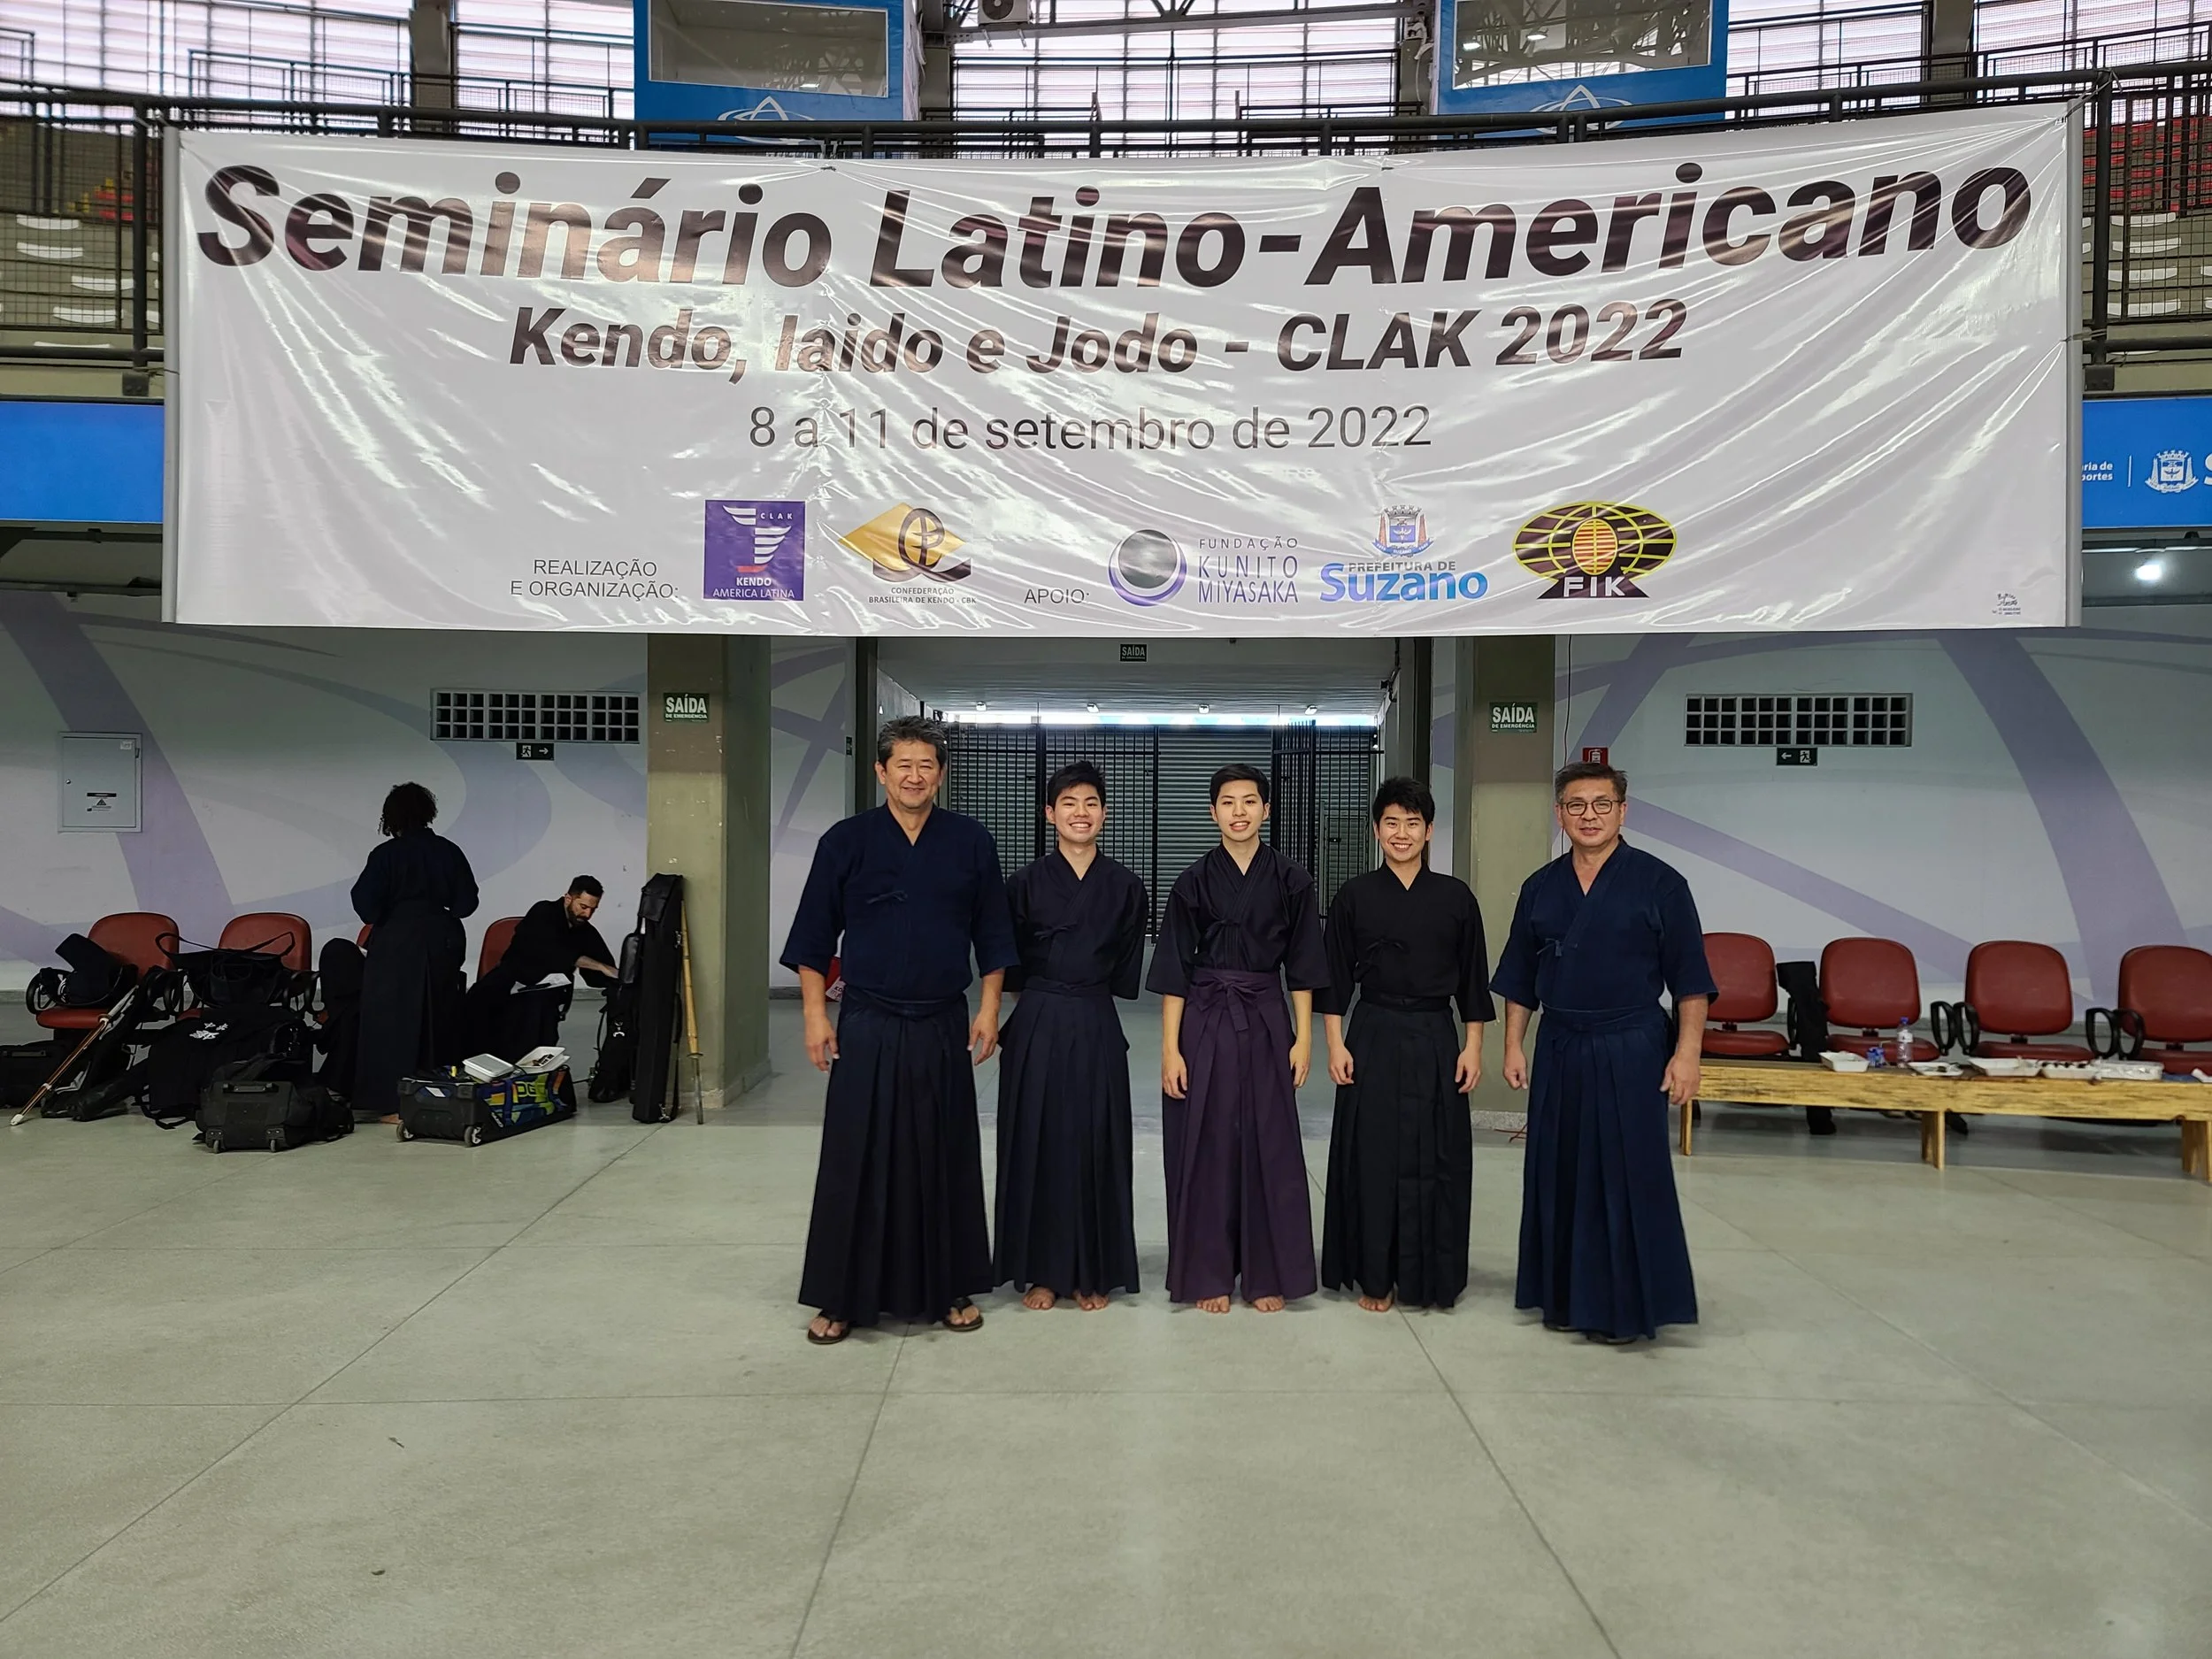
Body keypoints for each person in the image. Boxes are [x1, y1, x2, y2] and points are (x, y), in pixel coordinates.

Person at [780, 715, 1018, 1345]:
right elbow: (811, 938)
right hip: (867, 1019)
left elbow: (994, 938)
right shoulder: (846, 840)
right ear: (881, 770)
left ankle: (948, 1286)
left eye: (927, 765)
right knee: (855, 1157)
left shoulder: (970, 841)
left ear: (941, 773)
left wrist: (989, 1008)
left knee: (943, 1154)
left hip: (942, 1019)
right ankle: (841, 1296)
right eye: (902, 764)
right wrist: (813, 1014)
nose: (915, 775)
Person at [1493, 761, 1715, 1344]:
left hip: (1632, 1043)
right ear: (1559, 813)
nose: (1587, 815)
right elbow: (1519, 975)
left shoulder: (1661, 883)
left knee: (1627, 1171)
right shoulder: (1542, 886)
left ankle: (1625, 1306)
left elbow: (1691, 981)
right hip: (1561, 1041)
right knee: (1558, 1169)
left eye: (1600, 803)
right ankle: (1564, 1296)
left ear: (1623, 809)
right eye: (1575, 804)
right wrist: (1514, 1043)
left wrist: (1686, 1054)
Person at [1147, 764, 1328, 1314]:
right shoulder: (1193, 880)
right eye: (1228, 802)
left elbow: (1302, 964)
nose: (1240, 812)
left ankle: (1268, 1272)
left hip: (1267, 1016)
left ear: (1266, 810)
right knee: (1207, 1142)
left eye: (1250, 802)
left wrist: (1303, 1040)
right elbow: (1174, 971)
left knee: (1268, 1142)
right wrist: (1170, 1048)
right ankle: (1208, 1271)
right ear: (1213, 812)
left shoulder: (1291, 879)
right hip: (1204, 1016)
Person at [1318, 776, 1493, 1313]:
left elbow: (1473, 980)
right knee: (1373, 1156)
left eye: (1412, 824)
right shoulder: (1354, 896)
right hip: (1371, 1031)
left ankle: (1428, 1278)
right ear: (1376, 831)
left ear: (1429, 831)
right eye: (1391, 823)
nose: (1401, 833)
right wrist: (1335, 1044)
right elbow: (1332, 979)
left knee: (1436, 1157)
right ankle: (1376, 1275)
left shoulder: (1456, 898)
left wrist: (1473, 1047)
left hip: (1436, 1036)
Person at [995, 762, 1148, 1312]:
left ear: (1104, 813)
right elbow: (1007, 967)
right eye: (1068, 803)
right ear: (1049, 814)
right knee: (1038, 1141)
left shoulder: (1128, 887)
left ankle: (1093, 1269)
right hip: (1038, 1018)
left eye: (1090, 803)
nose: (1080, 813)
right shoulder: (1023, 884)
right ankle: (1042, 1271)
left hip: (1095, 1018)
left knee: (1096, 1141)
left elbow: (1125, 970)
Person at [350, 782, 479, 1124]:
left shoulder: (385, 855)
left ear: (391, 817)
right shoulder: (449, 851)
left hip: (396, 941)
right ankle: (441, 1094)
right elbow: (467, 903)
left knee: (392, 1022)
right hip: (442, 940)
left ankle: (393, 1103)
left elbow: (367, 908)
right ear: (428, 813)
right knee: (439, 1016)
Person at [464, 876, 620, 1063]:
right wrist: (599, 966)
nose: (587, 914)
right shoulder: (543, 911)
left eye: (592, 910)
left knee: (536, 1011)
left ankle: (527, 1072)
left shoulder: (585, 931)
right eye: (583, 907)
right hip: (510, 978)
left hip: (544, 992)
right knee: (479, 1002)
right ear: (568, 898)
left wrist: (613, 974)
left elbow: (602, 969)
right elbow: (552, 951)